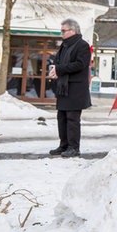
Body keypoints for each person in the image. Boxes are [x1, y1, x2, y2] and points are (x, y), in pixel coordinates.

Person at [48, 18, 92, 158]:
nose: (61, 33)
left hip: (76, 89)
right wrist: (55, 69)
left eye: (64, 30)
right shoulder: (64, 45)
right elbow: (58, 62)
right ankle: (64, 145)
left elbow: (80, 64)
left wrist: (59, 69)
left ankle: (74, 147)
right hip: (63, 88)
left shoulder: (82, 45)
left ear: (73, 31)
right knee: (61, 118)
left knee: (72, 119)